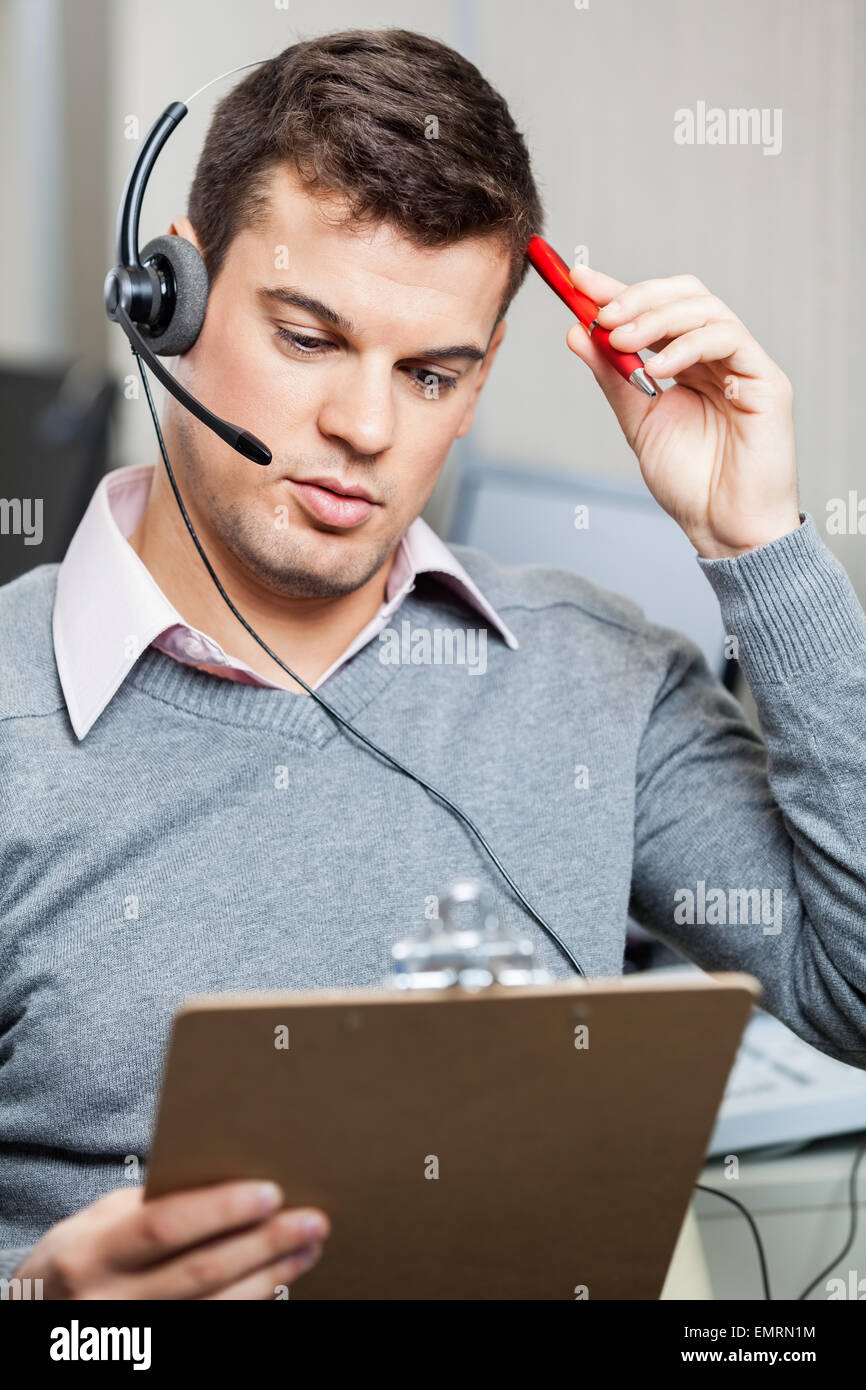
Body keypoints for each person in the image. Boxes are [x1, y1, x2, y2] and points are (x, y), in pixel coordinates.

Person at [2, 28, 864, 1300]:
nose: (363, 429)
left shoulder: (600, 674)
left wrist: (760, 545)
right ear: (168, 294)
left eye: (429, 373)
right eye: (306, 339)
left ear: (480, 382)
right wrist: (50, 1318)